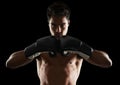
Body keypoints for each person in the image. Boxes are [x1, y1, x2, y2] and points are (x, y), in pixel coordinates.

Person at [6, 1, 112, 85]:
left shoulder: (76, 48)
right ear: (48, 24)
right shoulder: (41, 47)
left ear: (68, 23)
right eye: (53, 25)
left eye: (63, 25)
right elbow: (10, 63)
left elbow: (107, 62)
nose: (58, 30)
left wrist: (79, 46)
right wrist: (36, 48)